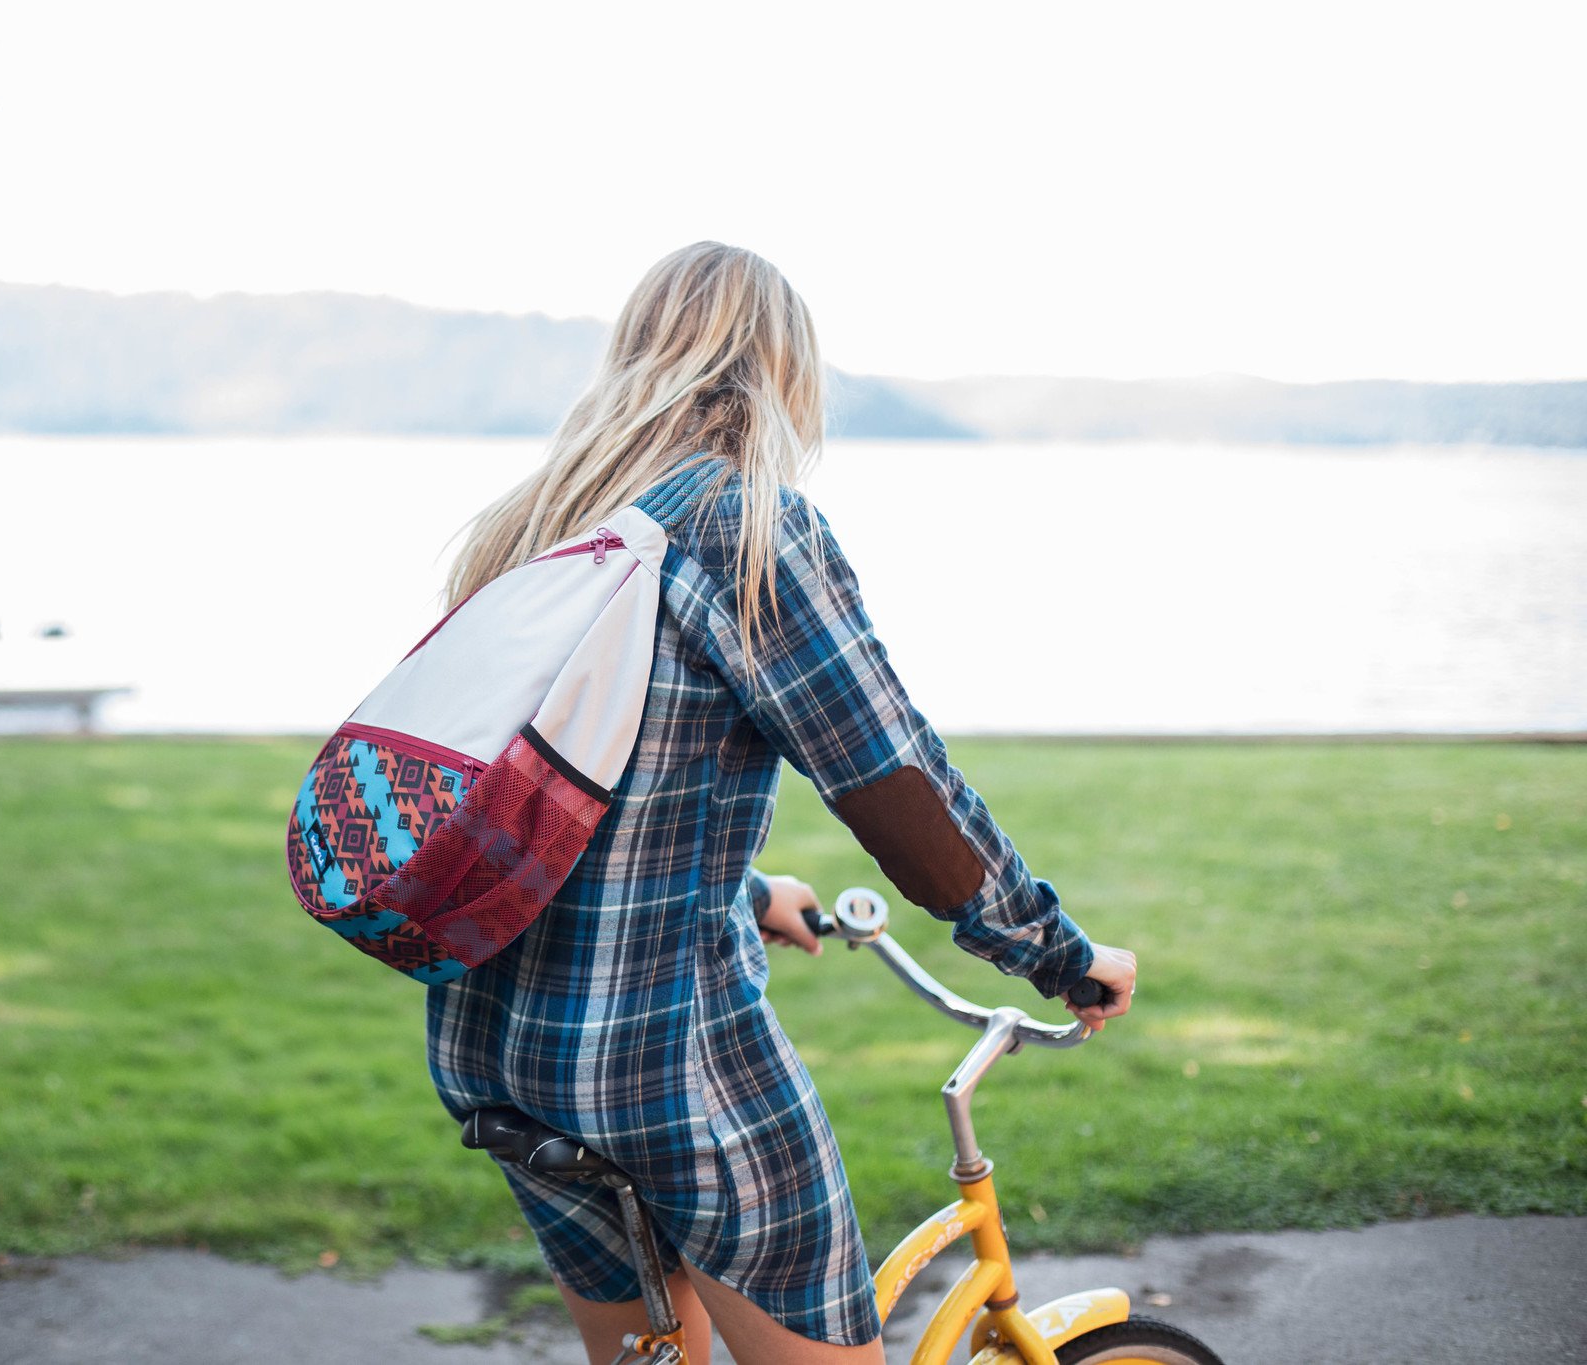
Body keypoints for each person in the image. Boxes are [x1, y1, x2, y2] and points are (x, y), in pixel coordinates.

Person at [427, 242, 1138, 1365]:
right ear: (780, 373)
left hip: (498, 1047)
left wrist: (745, 888)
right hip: (665, 1058)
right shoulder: (744, 525)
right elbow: (893, 783)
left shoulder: (531, 528)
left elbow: (534, 802)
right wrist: (1055, 951)